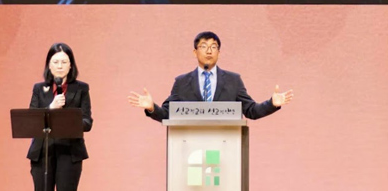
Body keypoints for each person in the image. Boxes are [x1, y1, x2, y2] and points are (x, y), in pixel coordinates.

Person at [127, 31, 293, 121]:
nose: (209, 51)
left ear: (219, 53)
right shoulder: (182, 82)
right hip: (191, 148)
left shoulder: (233, 80)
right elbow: (167, 114)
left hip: (226, 145)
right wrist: (151, 107)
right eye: (204, 46)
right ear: (195, 52)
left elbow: (251, 111)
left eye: (214, 47)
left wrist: (272, 104)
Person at [27, 43, 93, 191]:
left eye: (64, 62)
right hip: (43, 151)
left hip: (70, 151)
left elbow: (87, 123)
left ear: (71, 65)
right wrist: (51, 108)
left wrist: (68, 119)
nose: (60, 66)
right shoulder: (39, 89)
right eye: (55, 62)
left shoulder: (81, 88)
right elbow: (32, 121)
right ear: (49, 65)